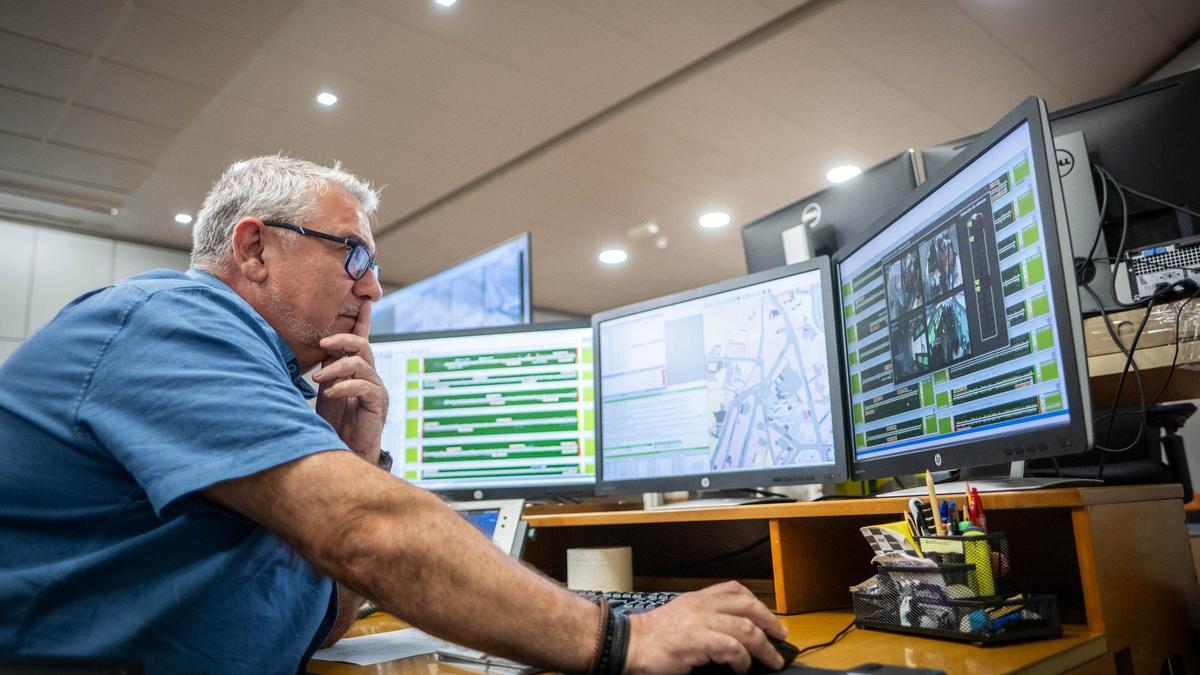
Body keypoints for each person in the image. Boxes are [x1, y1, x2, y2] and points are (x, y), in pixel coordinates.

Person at [0, 156, 787, 675]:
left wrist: (354, 444)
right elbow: (367, 533)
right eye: (355, 256)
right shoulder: (171, 319)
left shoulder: (264, 379)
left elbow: (329, 620)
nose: (372, 289)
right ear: (254, 248)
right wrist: (625, 636)